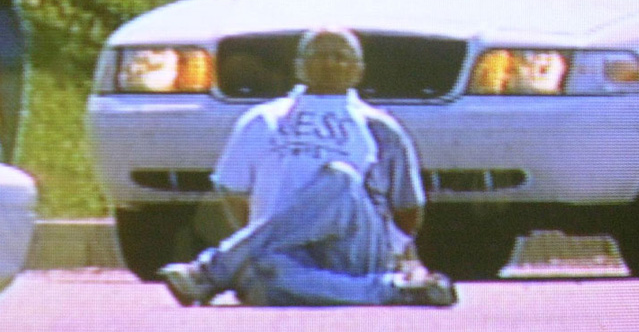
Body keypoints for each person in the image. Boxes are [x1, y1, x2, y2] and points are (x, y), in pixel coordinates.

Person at [158, 28, 456, 307]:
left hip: (353, 250)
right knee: (267, 277)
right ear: (299, 66)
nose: (329, 63)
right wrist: (274, 238)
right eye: (318, 55)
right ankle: (394, 290)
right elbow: (234, 193)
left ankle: (209, 272)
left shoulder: (380, 126)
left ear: (359, 70)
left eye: (340, 56)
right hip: (280, 256)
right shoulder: (263, 119)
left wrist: (401, 257)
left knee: (339, 178)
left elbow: (407, 210)